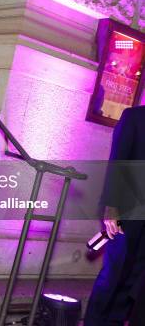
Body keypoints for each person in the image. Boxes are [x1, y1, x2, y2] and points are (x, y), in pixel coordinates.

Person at [85, 105, 145, 325]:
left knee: (134, 281)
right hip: (127, 211)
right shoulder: (135, 116)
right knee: (114, 274)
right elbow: (117, 160)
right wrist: (111, 206)